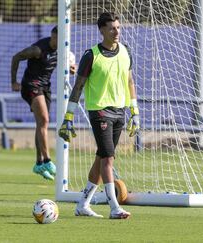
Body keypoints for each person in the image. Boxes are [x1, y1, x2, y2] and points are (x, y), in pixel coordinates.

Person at [59, 12, 140, 219]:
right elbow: (78, 86)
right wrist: (69, 116)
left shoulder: (125, 51)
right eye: (112, 28)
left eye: (119, 28)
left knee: (101, 158)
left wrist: (134, 110)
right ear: (102, 30)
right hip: (100, 111)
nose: (117, 32)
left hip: (119, 111)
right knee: (108, 159)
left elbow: (130, 82)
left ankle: (83, 204)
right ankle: (114, 207)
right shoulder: (91, 55)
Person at [11, 26, 76, 181]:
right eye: (55, 38)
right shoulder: (38, 50)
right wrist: (14, 82)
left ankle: (38, 163)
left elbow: (69, 65)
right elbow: (16, 57)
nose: (57, 42)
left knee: (41, 124)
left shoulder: (63, 51)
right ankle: (47, 160)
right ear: (52, 37)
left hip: (45, 87)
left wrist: (72, 69)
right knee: (45, 121)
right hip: (30, 86)